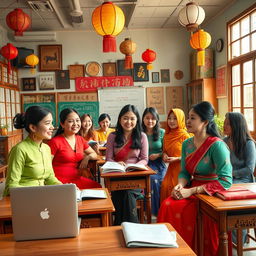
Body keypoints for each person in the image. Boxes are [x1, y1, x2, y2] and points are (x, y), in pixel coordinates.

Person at [157, 101, 232, 255]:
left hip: (211, 193)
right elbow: (184, 172)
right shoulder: (187, 144)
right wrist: (180, 186)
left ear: (205, 122)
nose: (188, 122)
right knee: (167, 205)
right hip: (191, 189)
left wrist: (191, 191)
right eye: (188, 117)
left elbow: (226, 180)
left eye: (192, 118)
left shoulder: (216, 146)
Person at [4, 106, 61, 196]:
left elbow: (50, 178)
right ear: (33, 127)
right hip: (23, 199)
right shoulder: (20, 149)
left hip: (42, 197)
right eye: (47, 123)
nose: (52, 127)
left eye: (52, 123)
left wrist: (64, 188)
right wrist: (36, 194)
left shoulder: (46, 148)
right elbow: (11, 186)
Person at [106, 104, 148, 225]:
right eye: (125, 118)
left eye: (132, 118)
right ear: (120, 119)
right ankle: (129, 227)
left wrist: (135, 167)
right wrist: (117, 164)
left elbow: (144, 159)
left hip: (135, 176)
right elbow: (109, 158)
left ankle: (123, 226)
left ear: (137, 120)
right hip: (117, 175)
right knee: (121, 193)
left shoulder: (142, 136)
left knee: (128, 193)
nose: (128, 121)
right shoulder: (112, 136)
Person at [47, 108, 101, 189]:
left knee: (97, 187)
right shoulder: (55, 142)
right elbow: (46, 166)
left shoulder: (80, 139)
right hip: (59, 181)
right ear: (62, 124)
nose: (75, 124)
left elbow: (94, 154)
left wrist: (87, 157)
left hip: (76, 178)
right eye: (70, 121)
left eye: (77, 120)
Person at [223, 112, 256, 244]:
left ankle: (237, 240)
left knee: (228, 192)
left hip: (244, 182)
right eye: (225, 123)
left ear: (236, 126)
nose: (224, 126)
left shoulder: (249, 144)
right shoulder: (223, 141)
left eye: (228, 124)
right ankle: (227, 236)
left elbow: (249, 169)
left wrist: (231, 173)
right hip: (229, 180)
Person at [160, 108, 191, 203]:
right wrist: (164, 155)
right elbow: (165, 151)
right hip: (171, 168)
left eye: (175, 118)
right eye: (169, 118)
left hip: (182, 169)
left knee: (176, 190)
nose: (171, 121)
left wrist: (177, 158)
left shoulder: (185, 136)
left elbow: (191, 156)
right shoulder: (167, 135)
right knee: (165, 186)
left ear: (181, 119)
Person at [142, 107, 166, 216]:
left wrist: (158, 155)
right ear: (143, 119)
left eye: (153, 118)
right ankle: (146, 211)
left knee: (156, 181)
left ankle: (157, 212)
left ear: (157, 120)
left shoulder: (162, 132)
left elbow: (167, 151)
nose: (150, 121)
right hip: (143, 163)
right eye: (147, 118)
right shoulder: (139, 133)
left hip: (159, 164)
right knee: (146, 180)